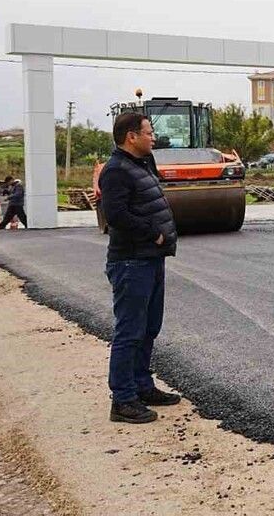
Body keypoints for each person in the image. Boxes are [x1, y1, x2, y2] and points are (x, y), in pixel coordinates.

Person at [99, 112, 182, 424]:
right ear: (130, 136)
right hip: (131, 260)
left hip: (151, 257)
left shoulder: (142, 164)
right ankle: (122, 399)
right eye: (148, 133)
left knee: (149, 327)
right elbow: (116, 215)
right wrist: (153, 232)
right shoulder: (116, 171)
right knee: (129, 331)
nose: (153, 137)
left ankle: (142, 386)